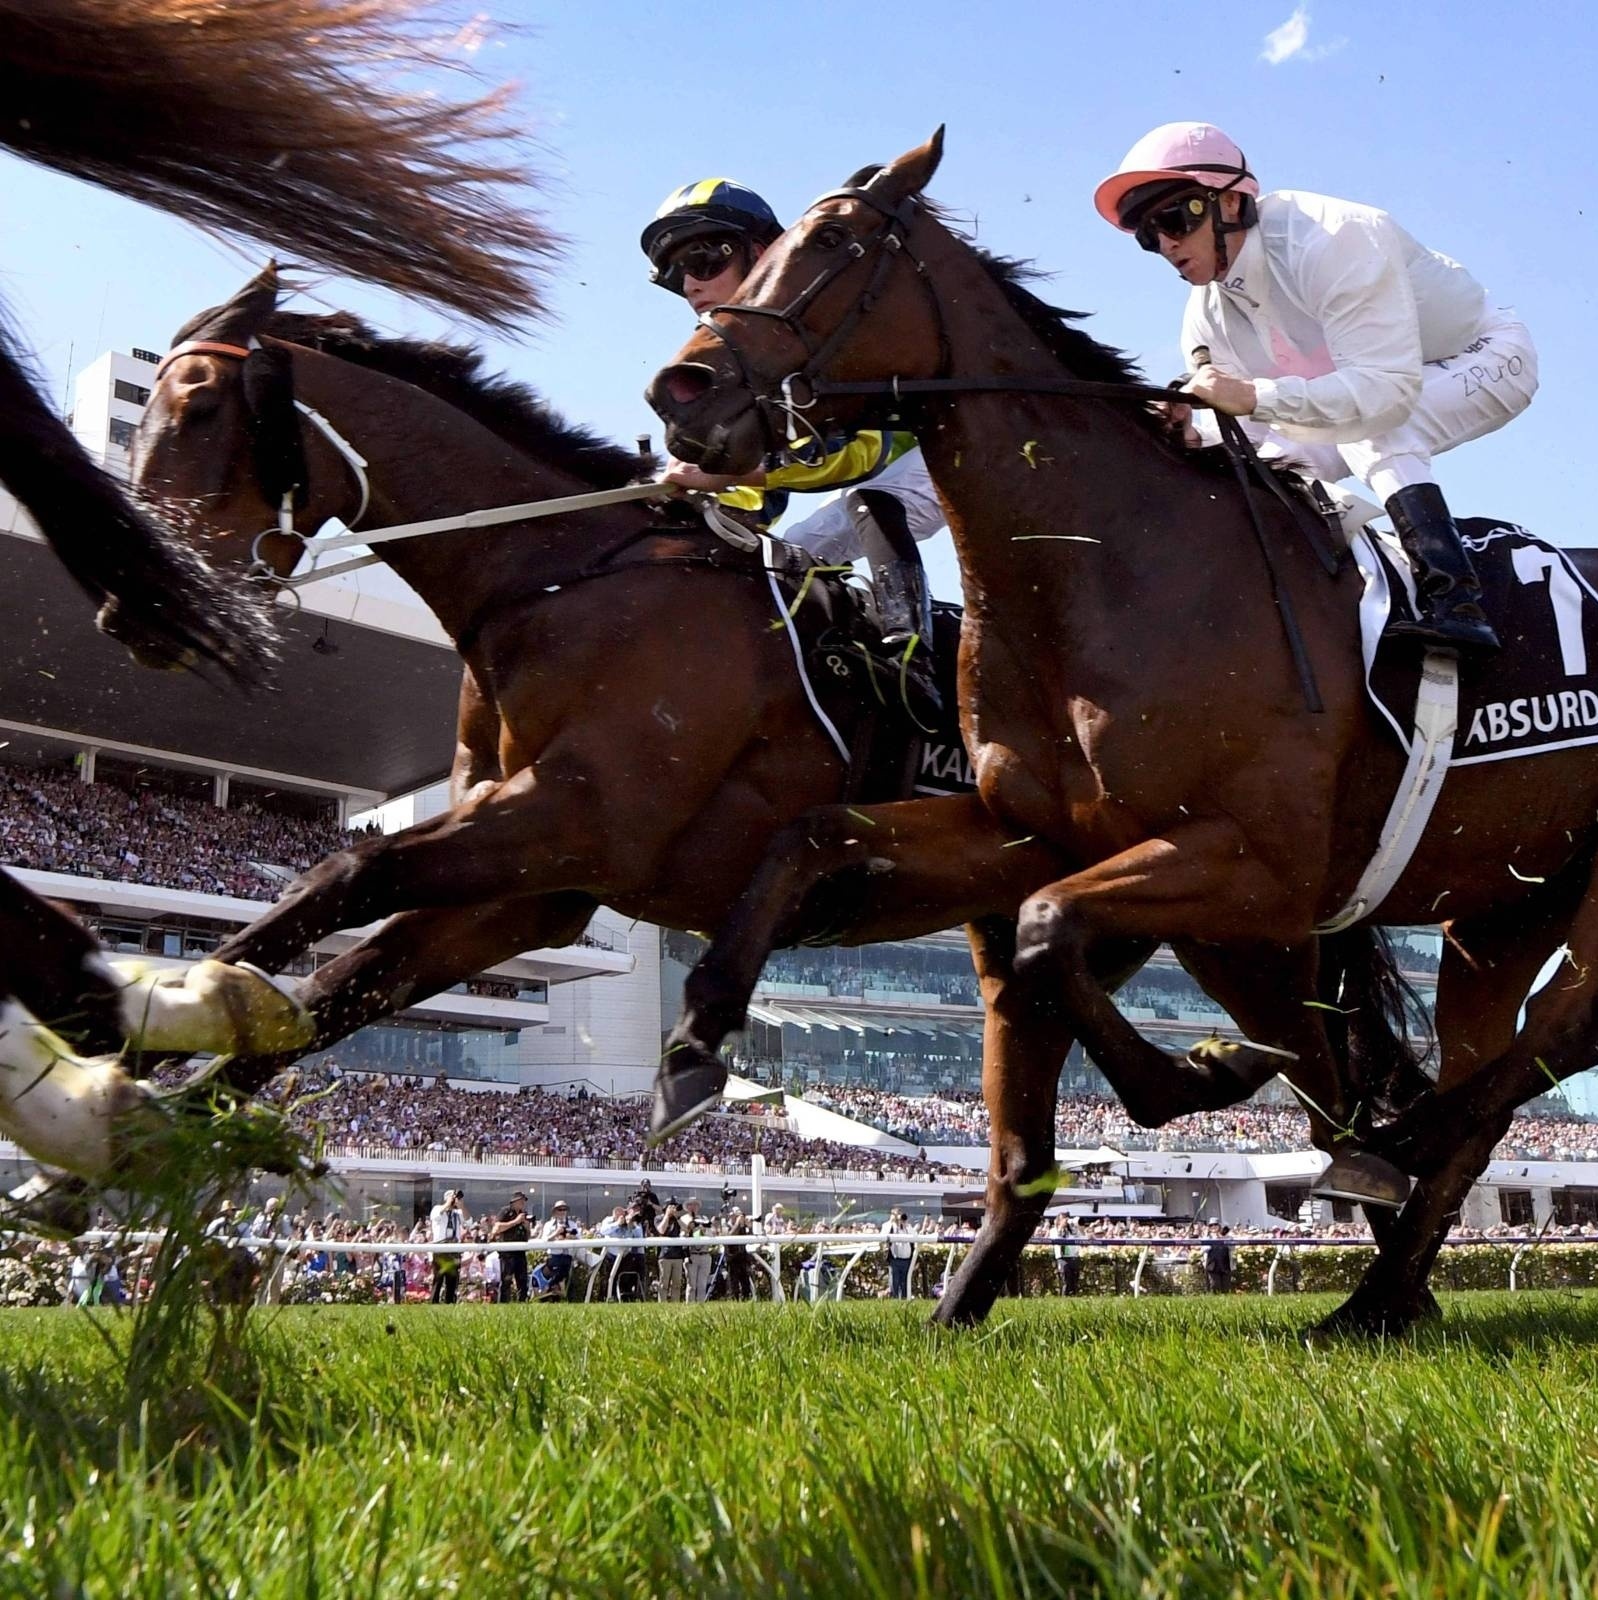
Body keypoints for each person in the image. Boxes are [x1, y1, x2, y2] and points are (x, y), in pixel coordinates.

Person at [1094, 122, 1538, 655]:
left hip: (1484, 354)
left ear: (1231, 202)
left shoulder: (1335, 237)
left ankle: (1456, 601)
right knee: (1257, 466)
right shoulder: (1205, 317)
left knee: (1371, 432)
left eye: (1174, 218)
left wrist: (1255, 397)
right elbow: (1249, 428)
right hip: (1374, 386)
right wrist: (1189, 430)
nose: (1165, 243)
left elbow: (1382, 397)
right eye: (1148, 234)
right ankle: (1344, 590)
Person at [642, 177, 946, 717]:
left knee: (870, 505)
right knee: (799, 556)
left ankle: (912, 660)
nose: (689, 284)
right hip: (879, 471)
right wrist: (685, 509)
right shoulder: (737, 363)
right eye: (674, 273)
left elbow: (864, 454)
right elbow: (756, 510)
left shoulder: (819, 323)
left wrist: (740, 475)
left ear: (762, 252)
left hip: (941, 451)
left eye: (704, 258)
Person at [490, 1189, 531, 1304]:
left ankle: (522, 1303)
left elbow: (528, 1236)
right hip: (507, 1252)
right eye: (521, 1201)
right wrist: (516, 1222)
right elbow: (497, 1228)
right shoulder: (505, 1212)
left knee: (522, 1280)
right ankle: (503, 1303)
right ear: (514, 1202)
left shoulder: (524, 1215)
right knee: (507, 1280)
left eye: (524, 1201)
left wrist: (527, 1228)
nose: (523, 1203)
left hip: (520, 1251)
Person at [531, 1201, 576, 1299]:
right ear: (555, 1212)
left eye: (564, 1209)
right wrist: (556, 1233)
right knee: (559, 1274)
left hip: (568, 1256)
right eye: (560, 1209)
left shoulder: (572, 1224)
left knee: (566, 1277)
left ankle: (553, 1291)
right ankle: (548, 1290)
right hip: (554, 1257)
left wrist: (569, 1237)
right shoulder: (548, 1225)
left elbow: (578, 1238)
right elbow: (545, 1239)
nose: (562, 1212)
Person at [428, 1188, 466, 1304]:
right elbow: (436, 1216)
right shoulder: (437, 1209)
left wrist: (461, 1206)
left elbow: (468, 1221)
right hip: (441, 1247)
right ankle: (434, 1302)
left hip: (454, 1248)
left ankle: (450, 1302)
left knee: (452, 1279)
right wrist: (448, 1203)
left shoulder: (458, 1213)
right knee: (438, 1278)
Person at [682, 1198, 713, 1303]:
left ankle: (701, 1306)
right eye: (691, 1205)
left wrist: (703, 1231)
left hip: (704, 1253)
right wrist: (691, 1229)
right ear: (687, 1207)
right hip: (692, 1254)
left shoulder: (704, 1219)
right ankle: (689, 1304)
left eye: (695, 1205)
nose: (693, 1207)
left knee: (702, 1284)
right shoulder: (683, 1219)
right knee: (691, 1284)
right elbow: (683, 1236)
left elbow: (711, 1235)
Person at [656, 1201, 687, 1302]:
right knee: (664, 1282)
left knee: (677, 1283)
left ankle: (675, 1302)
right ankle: (662, 1302)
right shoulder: (659, 1218)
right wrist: (667, 1216)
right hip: (665, 1255)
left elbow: (686, 1229)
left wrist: (677, 1217)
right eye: (671, 1207)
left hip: (677, 1255)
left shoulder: (677, 1220)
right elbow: (661, 1230)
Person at [884, 1207, 915, 1300]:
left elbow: (915, 1236)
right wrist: (892, 1222)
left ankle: (905, 1300)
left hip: (906, 1260)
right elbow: (884, 1235)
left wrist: (905, 1224)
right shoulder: (890, 1226)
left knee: (905, 1282)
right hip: (895, 1260)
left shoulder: (907, 1227)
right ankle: (894, 1299)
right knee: (895, 1282)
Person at [1051, 1215, 1082, 1297]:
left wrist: (1076, 1226)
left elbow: (1081, 1237)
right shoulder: (1054, 1230)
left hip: (1073, 1256)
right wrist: (1061, 1227)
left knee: (1074, 1279)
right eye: (1064, 1219)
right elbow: (1056, 1239)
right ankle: (1065, 1297)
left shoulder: (1072, 1231)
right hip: (1062, 1257)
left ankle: (1074, 1296)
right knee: (1066, 1278)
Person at [1204, 1225, 1235, 1295]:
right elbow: (1204, 1249)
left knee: (1226, 1287)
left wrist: (1223, 1238)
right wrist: (1214, 1240)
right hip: (1212, 1266)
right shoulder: (1207, 1238)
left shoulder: (1228, 1238)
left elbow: (1232, 1248)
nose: (1213, 1227)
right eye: (1211, 1225)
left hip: (1225, 1265)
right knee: (1214, 1286)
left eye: (1215, 1225)